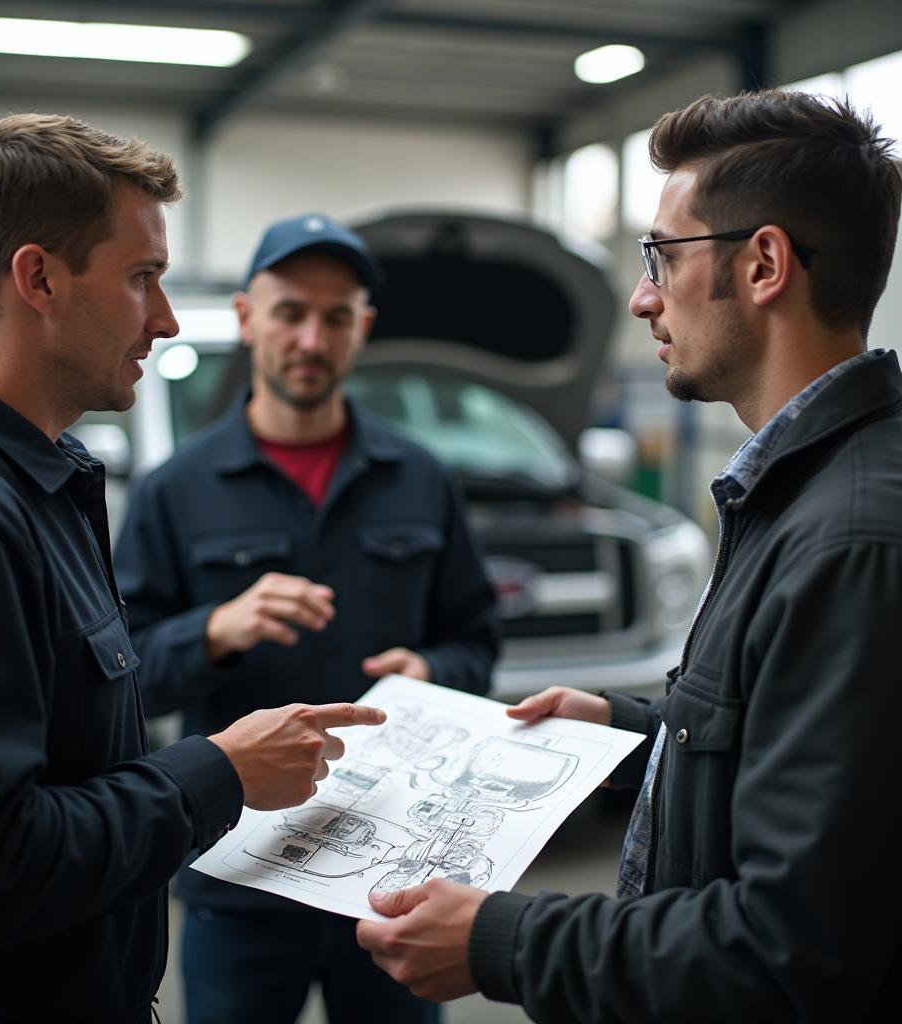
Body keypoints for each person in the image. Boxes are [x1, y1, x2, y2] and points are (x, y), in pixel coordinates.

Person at [355, 88, 902, 1021]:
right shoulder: (804, 490)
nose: (645, 296)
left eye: (663, 254)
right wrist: (631, 730)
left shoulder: (850, 537)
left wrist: (501, 941)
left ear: (765, 263)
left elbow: (793, 947)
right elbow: (805, 763)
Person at [0, 114, 386, 1023]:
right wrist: (219, 772)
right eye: (141, 277)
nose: (164, 319)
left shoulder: (36, 484)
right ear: (36, 277)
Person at [113, 211, 500, 1023]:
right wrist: (214, 629)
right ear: (250, 318)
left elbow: (475, 640)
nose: (311, 339)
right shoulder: (174, 491)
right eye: (290, 311)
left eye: (335, 316)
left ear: (363, 329)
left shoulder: (421, 478)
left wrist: (435, 674)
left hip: (393, 880)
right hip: (238, 871)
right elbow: (122, 682)